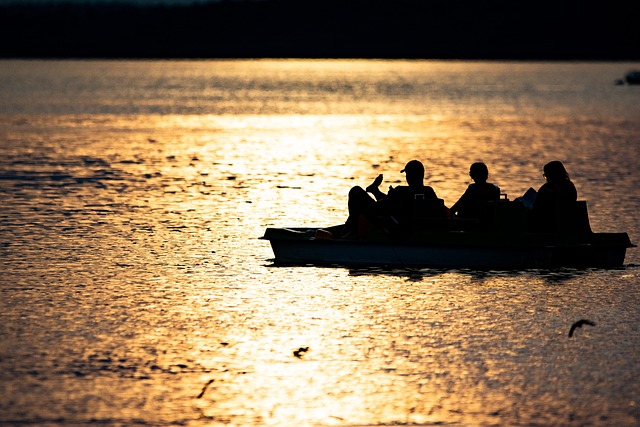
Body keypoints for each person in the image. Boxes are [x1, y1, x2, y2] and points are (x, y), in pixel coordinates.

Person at [342, 160, 443, 238]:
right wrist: (391, 196)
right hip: (413, 226)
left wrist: (391, 196)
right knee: (387, 203)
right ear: (422, 175)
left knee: (356, 191)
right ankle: (374, 190)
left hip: (397, 229)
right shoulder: (429, 192)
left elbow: (378, 209)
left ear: (408, 176)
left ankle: (352, 231)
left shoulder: (400, 191)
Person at [532, 160, 578, 231]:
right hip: (570, 224)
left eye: (546, 176)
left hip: (548, 226)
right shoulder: (570, 186)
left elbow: (537, 208)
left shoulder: (546, 189)